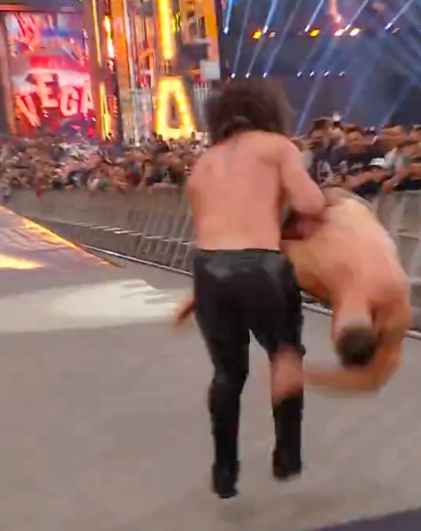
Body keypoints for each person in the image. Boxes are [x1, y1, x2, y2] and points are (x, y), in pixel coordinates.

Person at [177, 79, 326, 500]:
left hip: (207, 266)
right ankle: (287, 453)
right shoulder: (276, 147)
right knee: (285, 353)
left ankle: (224, 470)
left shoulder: (206, 161)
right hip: (260, 263)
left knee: (227, 373)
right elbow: (310, 203)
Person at [281, 187, 411, 393]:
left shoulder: (309, 260)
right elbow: (374, 380)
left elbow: (373, 380)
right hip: (347, 210)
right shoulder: (311, 262)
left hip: (349, 210)